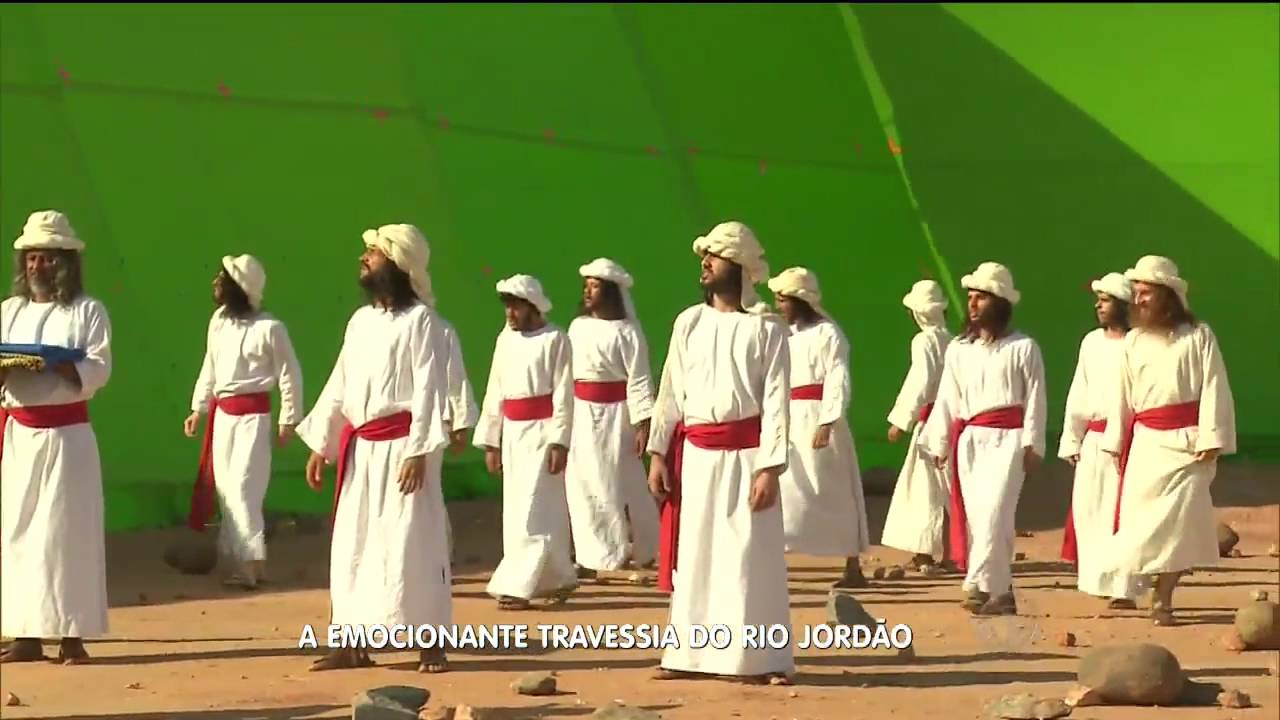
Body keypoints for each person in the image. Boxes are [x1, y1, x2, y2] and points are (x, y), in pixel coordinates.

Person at [296, 223, 453, 673]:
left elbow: (430, 387)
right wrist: (323, 445)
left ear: (398, 263)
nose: (364, 259)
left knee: (412, 543)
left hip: (404, 449)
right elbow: (340, 385)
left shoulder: (422, 322)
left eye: (374, 253)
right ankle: (352, 643)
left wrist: (419, 450)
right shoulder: (360, 322)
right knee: (354, 545)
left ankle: (431, 642)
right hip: (361, 451)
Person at [648, 220, 793, 684]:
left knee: (746, 556)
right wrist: (658, 452)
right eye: (704, 257)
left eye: (715, 256)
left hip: (747, 457)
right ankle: (689, 655)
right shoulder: (688, 322)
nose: (706, 263)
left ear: (740, 266)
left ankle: (751, 659)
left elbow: (777, 401)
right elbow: (670, 391)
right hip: (696, 456)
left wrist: (769, 468)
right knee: (697, 554)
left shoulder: (767, 329)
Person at [0, 210, 112, 664]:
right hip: (20, 436)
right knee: (20, 534)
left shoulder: (88, 311)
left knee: (66, 535)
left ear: (64, 263)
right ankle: (25, 635)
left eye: (46, 258)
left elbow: (99, 367)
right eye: (31, 257)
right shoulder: (9, 311)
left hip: (67, 438)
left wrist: (62, 364)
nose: (36, 266)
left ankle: (71, 636)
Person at [1099, 255, 1235, 626]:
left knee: (1179, 528)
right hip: (1146, 445)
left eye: (1146, 292)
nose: (1139, 299)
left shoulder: (1199, 335)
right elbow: (1121, 397)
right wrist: (1115, 442)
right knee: (1143, 525)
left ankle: (1163, 598)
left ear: (1167, 295)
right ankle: (1132, 582)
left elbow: (1214, 386)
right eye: (1137, 293)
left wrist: (1212, 435)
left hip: (1189, 446)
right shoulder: (1133, 342)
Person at [919, 262, 1046, 616]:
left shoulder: (1024, 347)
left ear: (1000, 302)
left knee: (995, 513)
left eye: (981, 297)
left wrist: (1033, 442)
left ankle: (980, 585)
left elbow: (1036, 397)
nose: (972, 304)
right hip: (970, 441)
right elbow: (948, 397)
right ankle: (998, 592)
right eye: (971, 297)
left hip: (1009, 440)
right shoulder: (959, 349)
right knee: (980, 519)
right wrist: (940, 442)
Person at [184, 254, 304, 589]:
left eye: (223, 277)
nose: (216, 282)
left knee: (244, 488)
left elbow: (289, 374)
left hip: (253, 420)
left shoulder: (270, 328)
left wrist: (288, 419)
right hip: (222, 418)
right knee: (225, 488)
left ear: (239, 286)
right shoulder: (218, 322)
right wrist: (198, 409)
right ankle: (247, 560)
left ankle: (248, 564)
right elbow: (210, 367)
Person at [473, 274, 576, 610]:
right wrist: (491, 441)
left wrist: (559, 440)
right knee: (520, 512)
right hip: (513, 437)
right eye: (507, 306)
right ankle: (556, 577)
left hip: (543, 435)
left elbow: (564, 394)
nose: (510, 313)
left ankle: (518, 585)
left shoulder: (556, 339)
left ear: (532, 307)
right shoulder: (505, 341)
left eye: (516, 306)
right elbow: (495, 391)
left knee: (537, 509)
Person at [766, 266, 869, 588]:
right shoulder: (782, 335)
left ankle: (852, 564)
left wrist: (828, 420)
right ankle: (775, 560)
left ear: (799, 300)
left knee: (833, 489)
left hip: (819, 418)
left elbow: (837, 377)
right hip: (788, 418)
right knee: (786, 490)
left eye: (783, 300)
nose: (778, 306)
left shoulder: (828, 334)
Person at [564, 258, 658, 579]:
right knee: (582, 484)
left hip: (617, 418)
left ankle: (639, 547)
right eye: (586, 286)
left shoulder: (628, 332)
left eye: (595, 286)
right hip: (581, 416)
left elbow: (639, 379)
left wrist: (643, 423)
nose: (588, 292)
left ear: (611, 292)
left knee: (617, 483)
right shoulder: (577, 327)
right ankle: (593, 554)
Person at [1056, 272, 1141, 609]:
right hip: (1093, 441)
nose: (1098, 306)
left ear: (1122, 304)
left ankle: (1124, 587)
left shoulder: (1139, 344)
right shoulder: (1090, 342)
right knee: (1090, 510)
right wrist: (1072, 437)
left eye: (1105, 301)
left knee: (1123, 514)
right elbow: (1079, 391)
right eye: (1098, 301)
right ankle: (1097, 579)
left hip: (1130, 443)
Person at [880, 280, 954, 574]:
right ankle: (950, 553)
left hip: (931, 424)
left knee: (925, 488)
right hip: (952, 422)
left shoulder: (924, 341)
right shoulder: (954, 341)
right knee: (947, 490)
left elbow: (920, 381)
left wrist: (901, 420)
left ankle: (925, 554)